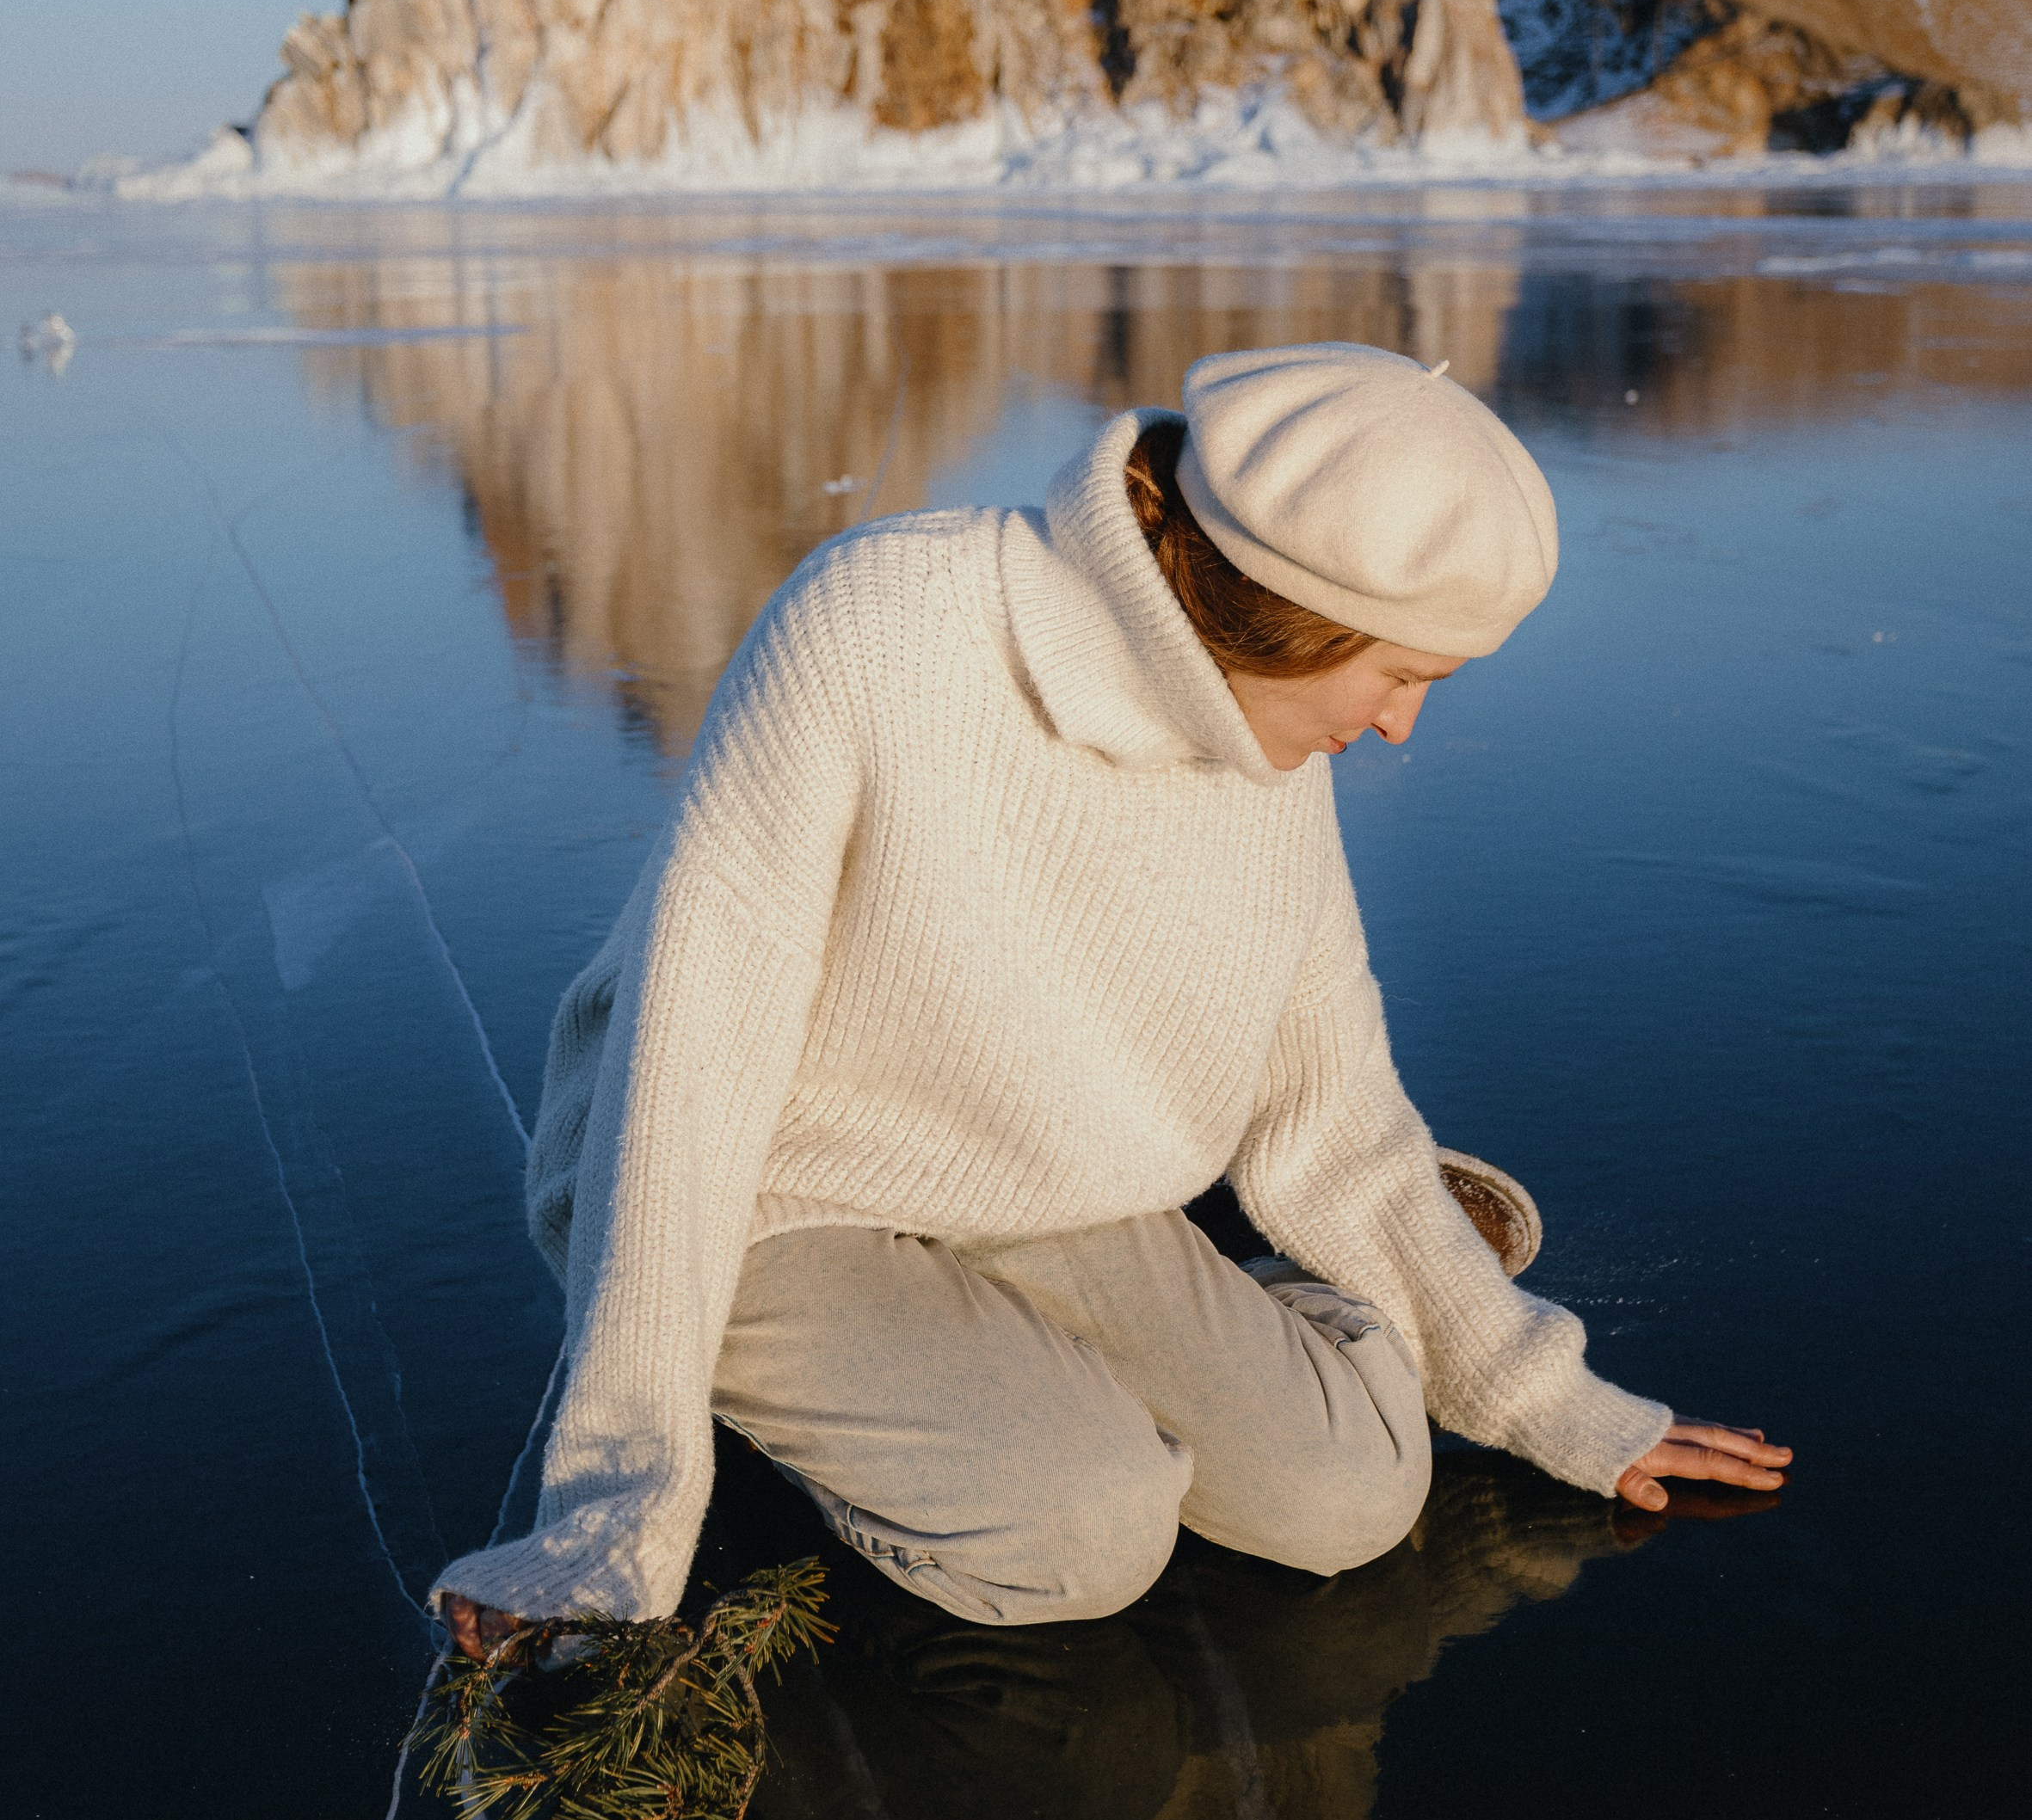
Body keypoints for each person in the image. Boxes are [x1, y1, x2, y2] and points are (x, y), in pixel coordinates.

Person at [437, 343, 1788, 1653]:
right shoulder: (880, 627)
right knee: (1080, 1536)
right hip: (774, 1195)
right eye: (1400, 675)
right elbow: (691, 1060)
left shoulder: (1262, 743)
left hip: (1055, 1180)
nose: (1398, 729)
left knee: (1350, 1502)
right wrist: (621, 1503)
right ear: (1289, 612)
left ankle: (1298, 1266)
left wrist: (1550, 1402)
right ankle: (920, 1371)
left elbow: (1331, 1108)